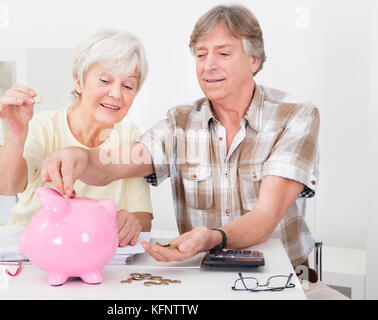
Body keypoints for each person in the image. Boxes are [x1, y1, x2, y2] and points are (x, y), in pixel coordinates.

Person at [39, 5, 348, 299]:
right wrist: (82, 157)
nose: (208, 65)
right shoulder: (180, 122)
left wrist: (213, 237)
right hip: (204, 281)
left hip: (285, 282)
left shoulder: (295, 117)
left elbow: (265, 217)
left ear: (253, 60)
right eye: (201, 55)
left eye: (223, 53)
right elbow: (114, 165)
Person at [0, 30, 153, 247]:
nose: (115, 93)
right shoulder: (44, 127)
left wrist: (131, 223)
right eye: (105, 80)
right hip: (35, 250)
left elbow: (143, 217)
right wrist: (16, 136)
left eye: (127, 86)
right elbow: (5, 187)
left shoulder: (132, 138)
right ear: (79, 82)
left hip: (94, 254)